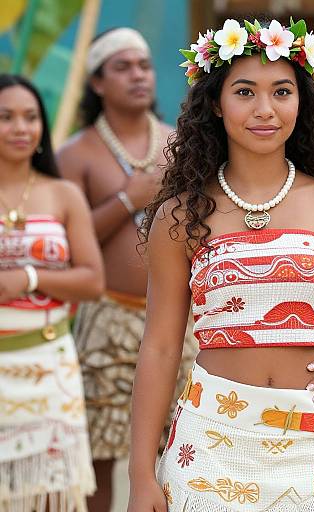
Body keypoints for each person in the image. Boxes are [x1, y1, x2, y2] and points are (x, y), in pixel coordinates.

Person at [127, 17, 314, 512]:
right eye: (245, 92)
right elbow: (159, 349)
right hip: (210, 440)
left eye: (281, 91)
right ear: (215, 106)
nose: (265, 109)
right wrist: (141, 476)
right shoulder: (179, 216)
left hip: (311, 438)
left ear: (301, 103)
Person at [57, 27, 197, 511]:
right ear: (97, 83)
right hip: (107, 318)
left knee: (181, 445)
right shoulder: (75, 154)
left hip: (181, 319)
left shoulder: (182, 143)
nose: (138, 75)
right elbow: (68, 244)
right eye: (122, 67)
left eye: (143, 65)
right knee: (100, 449)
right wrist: (126, 201)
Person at [0, 74, 104, 510]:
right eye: (6, 118)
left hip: (49, 362)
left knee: (49, 497)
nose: (21, 128)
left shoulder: (63, 194)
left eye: (30, 117)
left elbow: (93, 281)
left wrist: (29, 279)